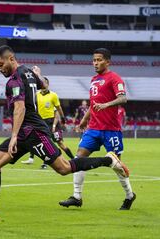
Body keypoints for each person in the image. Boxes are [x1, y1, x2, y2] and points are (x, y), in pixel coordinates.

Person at [0, 45, 130, 223]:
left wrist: (14, 136)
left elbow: (20, 107)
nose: (0, 69)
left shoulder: (14, 81)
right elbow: (44, 85)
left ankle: (108, 160)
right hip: (25, 132)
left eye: (1, 64)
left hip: (33, 132)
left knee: (64, 168)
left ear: (11, 58)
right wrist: (38, 75)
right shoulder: (28, 72)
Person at [59, 48, 136, 210]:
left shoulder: (114, 78)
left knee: (117, 164)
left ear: (107, 61)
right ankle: (76, 196)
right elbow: (93, 105)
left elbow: (123, 98)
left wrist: (106, 104)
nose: (95, 63)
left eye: (99, 60)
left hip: (111, 129)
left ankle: (129, 195)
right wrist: (84, 121)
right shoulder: (94, 79)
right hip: (93, 128)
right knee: (79, 158)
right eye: (94, 60)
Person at [21, 77, 74, 169]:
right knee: (41, 141)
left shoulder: (53, 95)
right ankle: (43, 162)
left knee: (60, 143)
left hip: (51, 121)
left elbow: (58, 109)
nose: (43, 84)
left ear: (48, 84)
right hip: (40, 121)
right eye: (41, 82)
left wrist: (62, 119)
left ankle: (74, 159)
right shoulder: (36, 95)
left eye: (45, 82)